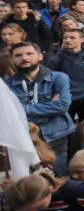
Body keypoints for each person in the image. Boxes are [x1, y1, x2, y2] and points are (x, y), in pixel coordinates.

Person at [5, 42, 75, 173]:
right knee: (29, 180)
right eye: (18, 55)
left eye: (29, 54)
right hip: (24, 138)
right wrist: (50, 106)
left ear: (40, 56)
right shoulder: (6, 84)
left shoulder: (58, 78)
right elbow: (6, 112)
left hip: (55, 136)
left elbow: (63, 105)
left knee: (59, 178)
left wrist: (22, 109)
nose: (24, 58)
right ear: (13, 59)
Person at [47, 28, 84, 122]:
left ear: (82, 39)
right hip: (65, 98)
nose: (68, 40)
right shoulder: (56, 59)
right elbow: (50, 78)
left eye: (72, 37)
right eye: (65, 38)